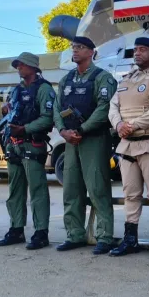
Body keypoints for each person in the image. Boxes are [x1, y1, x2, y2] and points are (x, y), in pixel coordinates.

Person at [108, 37, 149, 260]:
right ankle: (130, 239)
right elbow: (113, 105)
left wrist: (133, 125)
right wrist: (118, 124)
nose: (137, 53)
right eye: (135, 50)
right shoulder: (127, 78)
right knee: (131, 194)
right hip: (127, 145)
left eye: (142, 50)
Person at [53, 36, 117, 253]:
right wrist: (63, 131)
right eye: (73, 47)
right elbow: (56, 107)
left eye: (80, 47)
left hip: (94, 140)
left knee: (98, 188)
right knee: (71, 189)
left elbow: (104, 108)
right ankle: (75, 235)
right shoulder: (66, 79)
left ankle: (104, 236)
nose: (75, 51)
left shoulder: (103, 78)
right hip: (71, 141)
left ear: (92, 51)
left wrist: (82, 129)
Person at [0, 52, 55, 250]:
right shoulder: (16, 90)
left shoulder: (44, 89)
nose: (18, 68)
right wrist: (6, 111)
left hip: (32, 143)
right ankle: (16, 229)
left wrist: (25, 129)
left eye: (22, 65)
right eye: (17, 65)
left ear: (32, 67)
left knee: (37, 190)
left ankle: (41, 232)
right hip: (14, 144)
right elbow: (13, 111)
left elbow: (48, 118)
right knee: (15, 189)